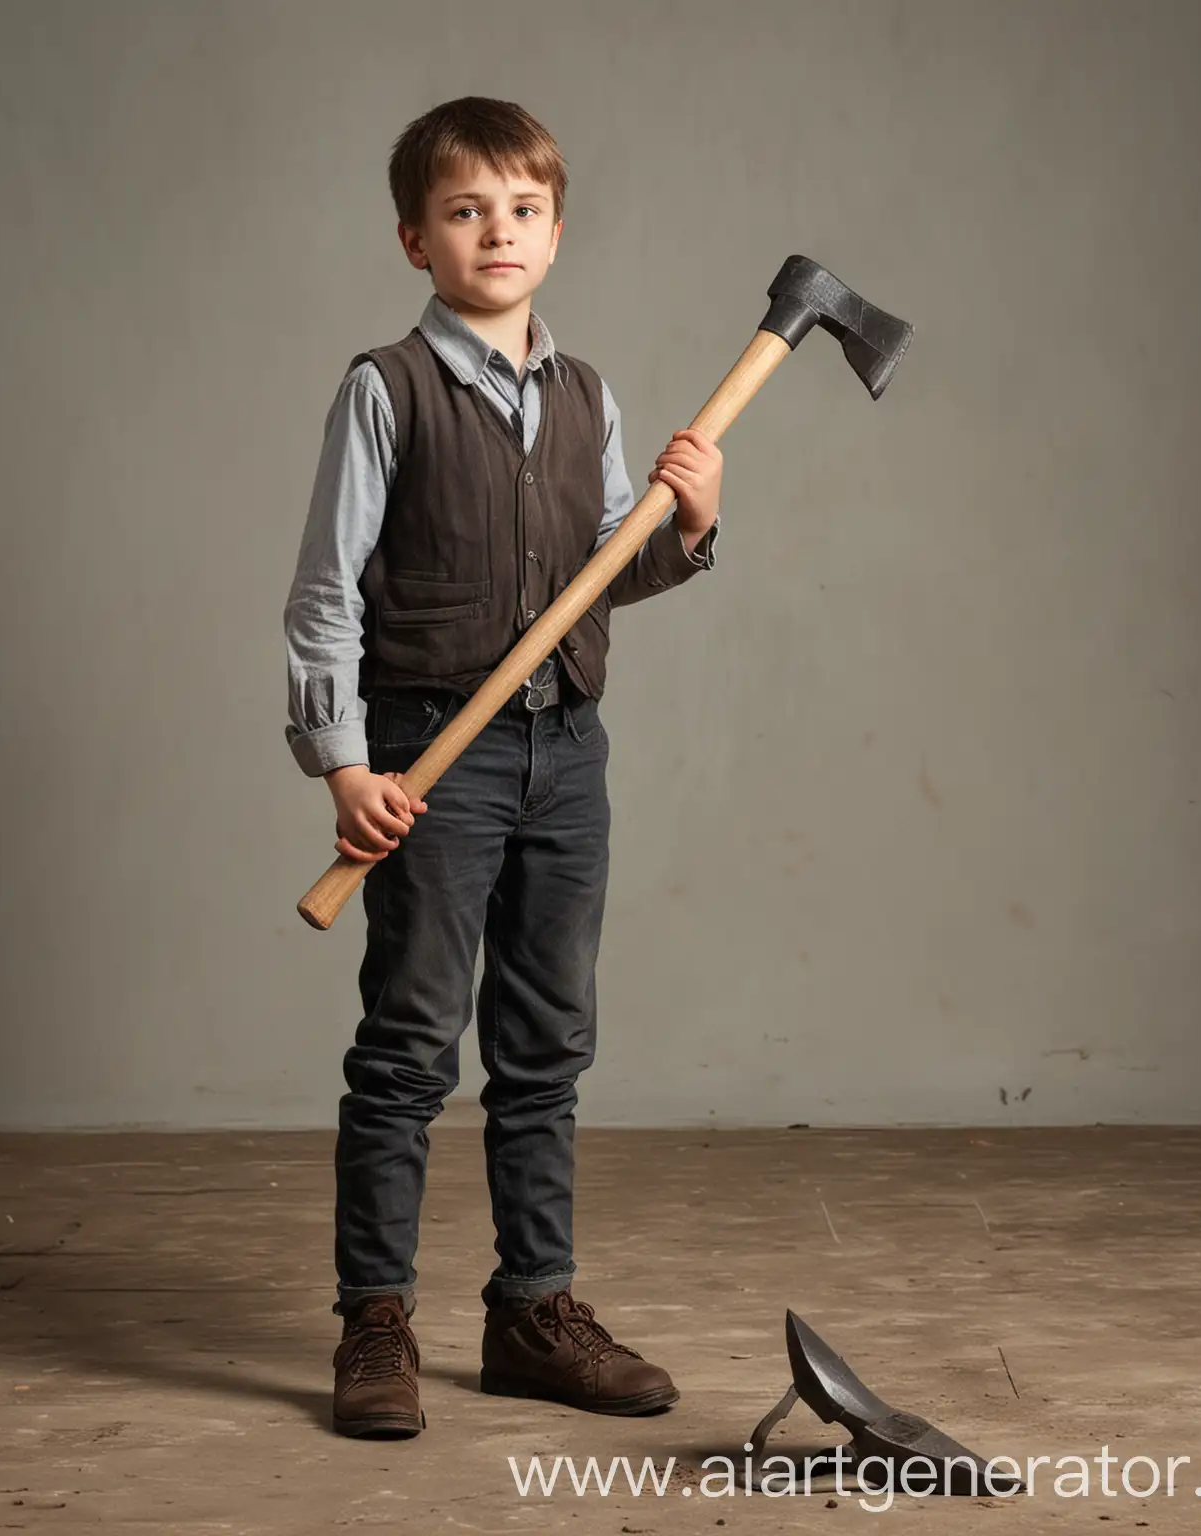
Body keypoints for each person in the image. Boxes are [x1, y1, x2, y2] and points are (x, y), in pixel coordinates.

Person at [283, 95, 722, 1439]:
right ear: (417, 237)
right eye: (468, 210)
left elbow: (593, 582)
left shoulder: (586, 395)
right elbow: (323, 597)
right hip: (434, 754)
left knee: (545, 1047)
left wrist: (688, 526)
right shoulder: (386, 389)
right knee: (411, 1042)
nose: (498, 232)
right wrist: (344, 764)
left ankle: (534, 1311)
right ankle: (376, 1320)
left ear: (557, 228)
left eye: (522, 209)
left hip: (564, 753)